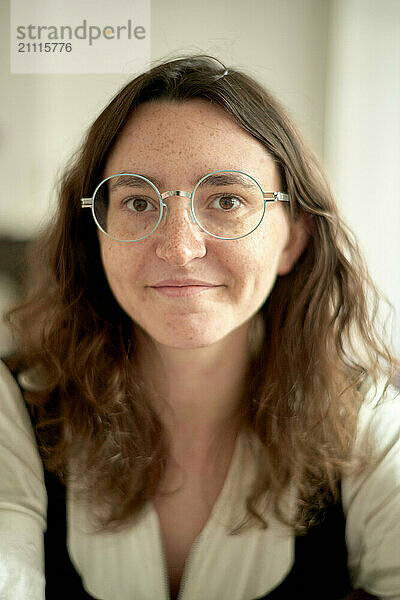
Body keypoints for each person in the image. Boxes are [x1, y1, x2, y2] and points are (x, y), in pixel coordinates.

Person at [1, 55, 399, 600]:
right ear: (96, 232)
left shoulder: (371, 424)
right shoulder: (16, 410)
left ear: (293, 239)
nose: (180, 248)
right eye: (139, 201)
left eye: (228, 201)